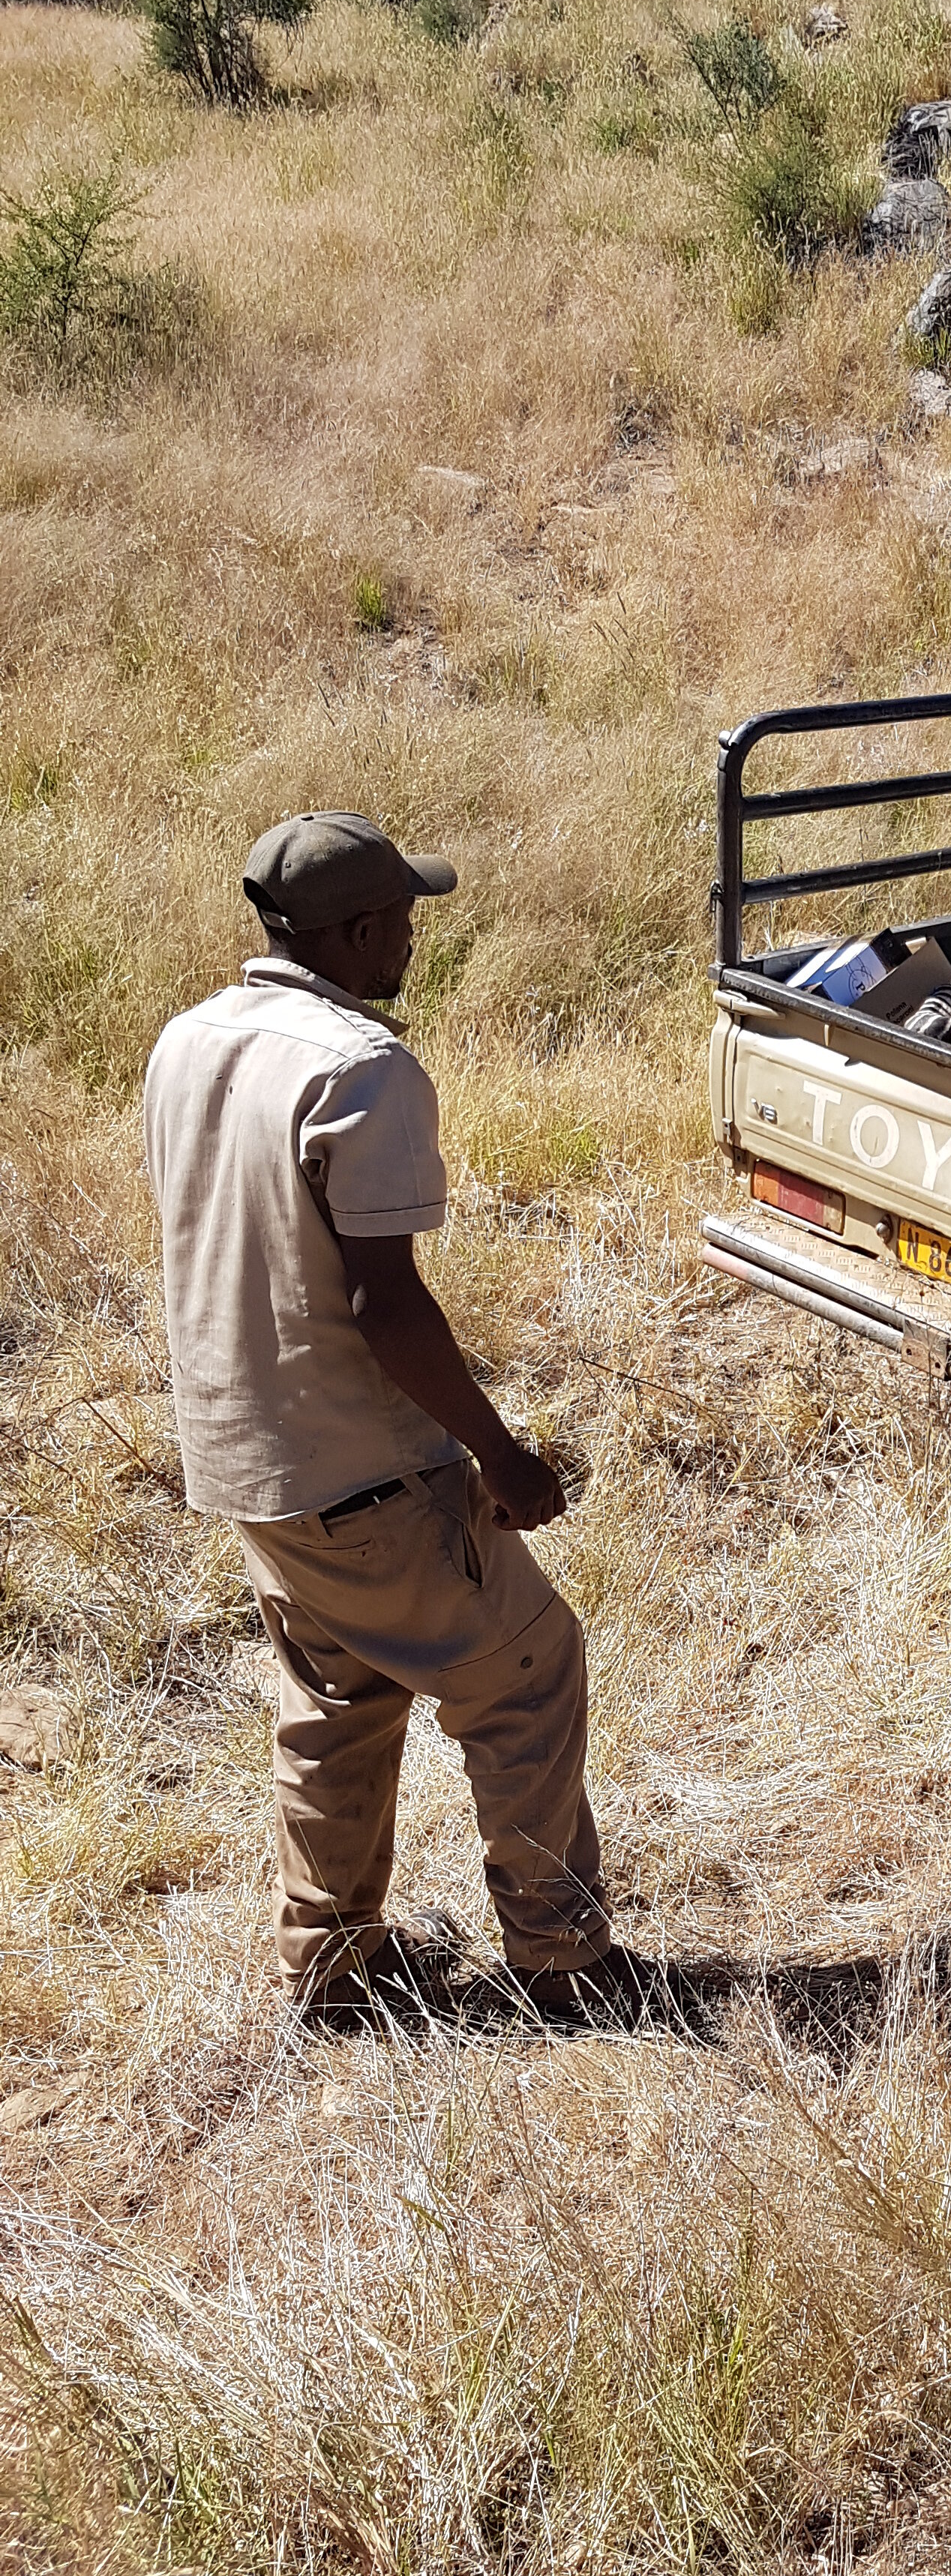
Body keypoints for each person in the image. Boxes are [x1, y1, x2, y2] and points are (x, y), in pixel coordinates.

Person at [142, 812, 653, 2032]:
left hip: (243, 1458)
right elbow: (384, 1300)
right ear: (360, 930)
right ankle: (561, 1958)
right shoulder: (360, 1069)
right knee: (524, 1672)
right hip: (362, 1471)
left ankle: (330, 1965)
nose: (413, 942)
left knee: (337, 1701)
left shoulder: (187, 1037)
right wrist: (501, 1452)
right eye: (405, 922)